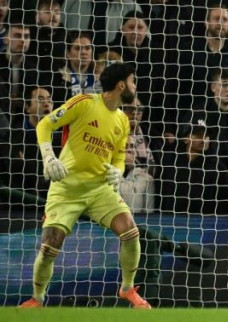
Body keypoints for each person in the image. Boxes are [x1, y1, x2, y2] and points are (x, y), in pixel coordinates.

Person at [19, 63, 149, 308]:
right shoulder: (84, 102)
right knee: (50, 244)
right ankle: (37, 299)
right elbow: (45, 124)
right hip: (67, 186)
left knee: (131, 232)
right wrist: (49, 157)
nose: (135, 86)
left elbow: (119, 157)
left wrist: (117, 171)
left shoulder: (123, 120)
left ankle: (127, 288)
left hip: (100, 189)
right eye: (133, 80)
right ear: (121, 84)